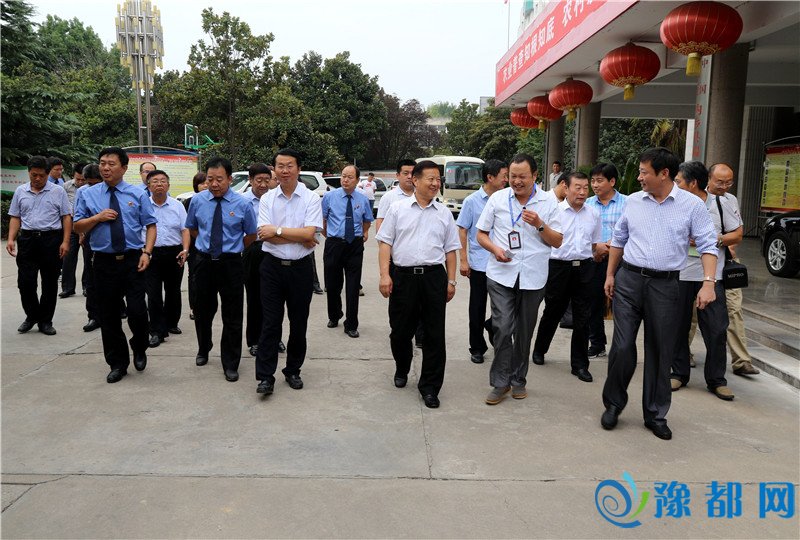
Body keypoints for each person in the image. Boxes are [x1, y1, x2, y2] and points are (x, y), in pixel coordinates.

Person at [600, 147, 718, 440]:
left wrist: (708, 283)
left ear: (664, 174)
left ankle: (655, 413)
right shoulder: (633, 202)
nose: (639, 177)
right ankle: (613, 403)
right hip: (629, 280)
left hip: (665, 286)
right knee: (622, 346)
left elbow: (707, 244)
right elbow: (619, 239)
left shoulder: (692, 205)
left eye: (644, 172)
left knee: (660, 350)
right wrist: (611, 274)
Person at [476, 154, 563, 405]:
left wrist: (539, 224)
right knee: (503, 328)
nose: (516, 181)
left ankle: (518, 379)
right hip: (501, 274)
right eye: (512, 176)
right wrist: (495, 249)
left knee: (524, 332)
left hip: (533, 277)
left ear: (534, 176)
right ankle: (500, 382)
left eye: (522, 176)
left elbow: (558, 240)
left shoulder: (548, 201)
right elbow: (481, 234)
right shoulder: (498, 199)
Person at [376, 160, 461, 409]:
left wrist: (451, 280)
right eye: (430, 179)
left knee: (435, 334)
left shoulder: (444, 213)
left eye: (438, 180)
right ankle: (402, 366)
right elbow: (385, 243)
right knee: (400, 331)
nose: (435, 184)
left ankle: (430, 387)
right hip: (403, 276)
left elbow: (451, 250)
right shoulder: (397, 209)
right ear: (415, 180)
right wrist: (384, 275)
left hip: (434, 277)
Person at [73, 147, 157, 383]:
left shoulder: (137, 194)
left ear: (124, 168)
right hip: (103, 262)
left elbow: (151, 225)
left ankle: (139, 347)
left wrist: (147, 252)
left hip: (132, 259)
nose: (105, 168)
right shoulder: (88, 194)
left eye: (111, 164)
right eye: (102, 163)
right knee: (108, 315)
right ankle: (117, 363)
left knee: (138, 311)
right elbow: (77, 226)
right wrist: (97, 218)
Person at [255, 148, 323, 396]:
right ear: (274, 169)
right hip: (272, 268)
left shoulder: (311, 198)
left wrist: (278, 231)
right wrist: (299, 235)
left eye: (289, 165)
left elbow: (310, 234)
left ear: (298, 168)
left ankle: (293, 370)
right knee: (270, 323)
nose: (284, 170)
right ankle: (265, 376)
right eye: (280, 166)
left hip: (300, 269)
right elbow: (264, 235)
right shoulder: (267, 199)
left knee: (298, 322)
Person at [670, 161, 738, 400]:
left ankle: (717, 380)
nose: (675, 185)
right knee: (678, 326)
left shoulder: (722, 203)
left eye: (679, 181)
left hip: (712, 277)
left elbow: (737, 234)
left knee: (717, 329)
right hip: (681, 273)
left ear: (693, 183)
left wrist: (711, 239)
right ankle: (678, 373)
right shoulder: (674, 203)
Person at [185, 157, 257, 383]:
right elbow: (192, 228)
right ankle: (203, 347)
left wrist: (231, 248)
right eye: (210, 179)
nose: (214, 184)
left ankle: (231, 362)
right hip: (204, 262)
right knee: (202, 310)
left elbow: (251, 235)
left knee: (233, 315)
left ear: (229, 179)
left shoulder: (242, 204)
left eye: (219, 179)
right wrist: (207, 244)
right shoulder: (197, 201)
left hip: (231, 264)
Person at [532, 172, 601, 381]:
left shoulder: (593, 213)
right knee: (553, 311)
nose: (582, 192)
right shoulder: (555, 211)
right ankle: (540, 349)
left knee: (583, 317)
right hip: (559, 267)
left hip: (585, 267)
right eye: (577, 187)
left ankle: (579, 365)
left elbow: (594, 243)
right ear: (566, 188)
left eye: (585, 188)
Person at [6, 156, 72, 336]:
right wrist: (11, 238)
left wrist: (65, 241)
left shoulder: (58, 191)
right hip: (27, 240)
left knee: (49, 282)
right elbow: (15, 216)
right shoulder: (20, 191)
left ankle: (45, 321)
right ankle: (32, 316)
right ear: (28, 172)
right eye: (33, 175)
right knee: (25, 282)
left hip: (51, 240)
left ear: (47, 174)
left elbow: (66, 217)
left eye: (41, 175)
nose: (37, 179)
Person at [707, 163, 760, 377]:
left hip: (726, 264)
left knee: (734, 309)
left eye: (729, 182)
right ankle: (684, 355)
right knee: (692, 313)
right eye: (720, 182)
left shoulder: (731, 200)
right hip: (700, 264)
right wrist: (720, 240)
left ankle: (741, 361)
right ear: (709, 179)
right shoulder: (697, 200)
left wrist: (719, 241)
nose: (724, 186)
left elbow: (737, 235)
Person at [456, 158, 508, 364]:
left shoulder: (507, 199)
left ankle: (492, 325)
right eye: (504, 176)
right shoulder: (472, 201)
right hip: (480, 263)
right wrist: (463, 260)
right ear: (490, 177)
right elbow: (462, 230)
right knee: (477, 307)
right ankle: (477, 347)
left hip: (503, 262)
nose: (506, 180)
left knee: (506, 306)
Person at [322, 164, 374, 338]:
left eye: (350, 177)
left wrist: (364, 233)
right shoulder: (329, 197)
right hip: (334, 244)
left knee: (353, 286)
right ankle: (334, 314)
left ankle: (351, 324)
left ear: (357, 180)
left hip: (354, 245)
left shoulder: (363, 199)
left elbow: (367, 220)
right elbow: (323, 219)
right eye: (343, 176)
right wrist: (330, 235)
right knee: (332, 284)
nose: (345, 180)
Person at [585, 163, 627, 358]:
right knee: (593, 302)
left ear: (612, 181)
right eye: (593, 180)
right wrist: (596, 248)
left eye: (599, 180)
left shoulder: (627, 203)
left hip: (620, 261)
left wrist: (607, 246)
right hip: (594, 259)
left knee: (621, 305)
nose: (595, 185)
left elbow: (630, 231)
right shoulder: (587, 204)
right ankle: (597, 344)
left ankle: (621, 346)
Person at [145, 170, 190, 347]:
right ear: (148, 186)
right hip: (151, 253)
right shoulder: (143, 205)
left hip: (174, 252)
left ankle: (171, 322)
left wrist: (185, 249)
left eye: (163, 181)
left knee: (173, 290)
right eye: (155, 181)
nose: (159, 184)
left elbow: (185, 229)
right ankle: (156, 331)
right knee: (153, 293)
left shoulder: (177, 206)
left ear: (168, 185)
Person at [242, 163, 272, 356]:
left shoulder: (275, 198)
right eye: (258, 180)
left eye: (266, 180)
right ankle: (254, 339)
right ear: (250, 180)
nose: (263, 184)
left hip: (274, 248)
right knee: (254, 297)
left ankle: (273, 337)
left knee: (273, 298)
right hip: (252, 249)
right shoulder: (242, 201)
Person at [76, 163, 103, 332]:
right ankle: (93, 315)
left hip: (111, 239)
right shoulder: (82, 192)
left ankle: (118, 308)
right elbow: (79, 218)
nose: (92, 186)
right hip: (90, 238)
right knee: (91, 277)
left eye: (96, 183)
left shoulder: (111, 190)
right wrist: (81, 233)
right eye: (89, 183)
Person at [59, 162, 88, 299]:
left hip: (87, 227)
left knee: (88, 259)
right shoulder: (65, 187)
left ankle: (87, 286)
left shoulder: (91, 188)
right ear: (73, 176)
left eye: (83, 179)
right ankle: (67, 288)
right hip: (71, 227)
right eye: (78, 179)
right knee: (68, 258)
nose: (80, 182)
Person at [185, 171, 208, 322]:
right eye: (202, 183)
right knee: (193, 276)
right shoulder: (190, 202)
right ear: (196, 185)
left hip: (210, 246)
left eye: (207, 182)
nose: (205, 185)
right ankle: (194, 307)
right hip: (195, 244)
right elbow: (187, 226)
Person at [375, 159, 416, 233]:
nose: (410, 176)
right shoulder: (388, 197)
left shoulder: (423, 196)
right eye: (406, 173)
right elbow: (381, 222)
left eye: (412, 173)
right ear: (398, 175)